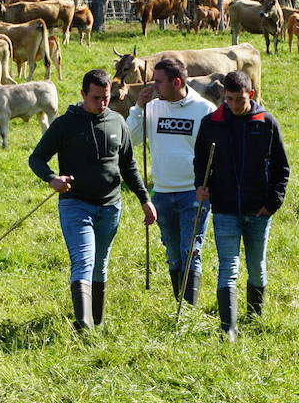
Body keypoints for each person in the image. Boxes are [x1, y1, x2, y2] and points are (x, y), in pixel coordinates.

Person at [28, 69, 157, 330]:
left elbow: (128, 165)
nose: (102, 103)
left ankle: (96, 321)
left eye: (106, 98)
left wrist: (145, 199)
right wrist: (52, 178)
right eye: (96, 98)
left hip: (110, 207)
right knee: (83, 260)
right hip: (75, 204)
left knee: (100, 263)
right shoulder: (64, 124)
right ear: (83, 94)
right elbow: (36, 158)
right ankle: (83, 324)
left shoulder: (117, 122)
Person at [194, 70, 289, 342]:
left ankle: (255, 315)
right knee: (228, 266)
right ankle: (229, 328)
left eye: (240, 100)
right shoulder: (211, 123)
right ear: (224, 95)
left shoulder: (266, 122)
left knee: (256, 264)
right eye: (230, 99)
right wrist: (200, 185)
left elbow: (283, 168)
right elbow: (200, 162)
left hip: (259, 210)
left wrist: (272, 204)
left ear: (251, 95)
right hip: (224, 209)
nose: (235, 105)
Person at [126, 56, 214, 306]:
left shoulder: (204, 110)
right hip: (162, 193)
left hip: (193, 193)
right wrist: (138, 109)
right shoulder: (152, 108)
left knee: (191, 251)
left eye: (159, 82)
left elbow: (215, 153)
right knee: (173, 253)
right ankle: (180, 303)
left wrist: (207, 186)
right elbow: (130, 140)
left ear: (176, 82)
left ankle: (188, 307)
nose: (153, 86)